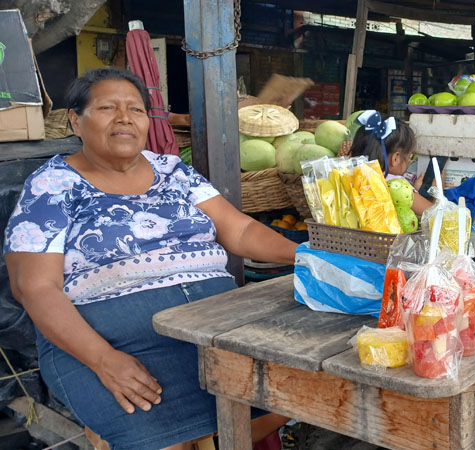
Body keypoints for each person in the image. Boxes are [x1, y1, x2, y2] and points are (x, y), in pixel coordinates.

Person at [3, 68, 297, 450]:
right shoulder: (52, 186)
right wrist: (105, 360)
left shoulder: (172, 171)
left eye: (136, 109)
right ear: (75, 120)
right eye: (107, 107)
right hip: (116, 346)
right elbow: (35, 286)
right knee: (163, 439)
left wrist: (304, 253)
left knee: (292, 398)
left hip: (217, 333)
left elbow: (239, 231)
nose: (125, 117)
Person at [349, 110, 432, 215]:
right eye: (408, 157)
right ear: (396, 158)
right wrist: (436, 191)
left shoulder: (350, 175)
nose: (410, 162)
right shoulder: (395, 184)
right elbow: (433, 213)